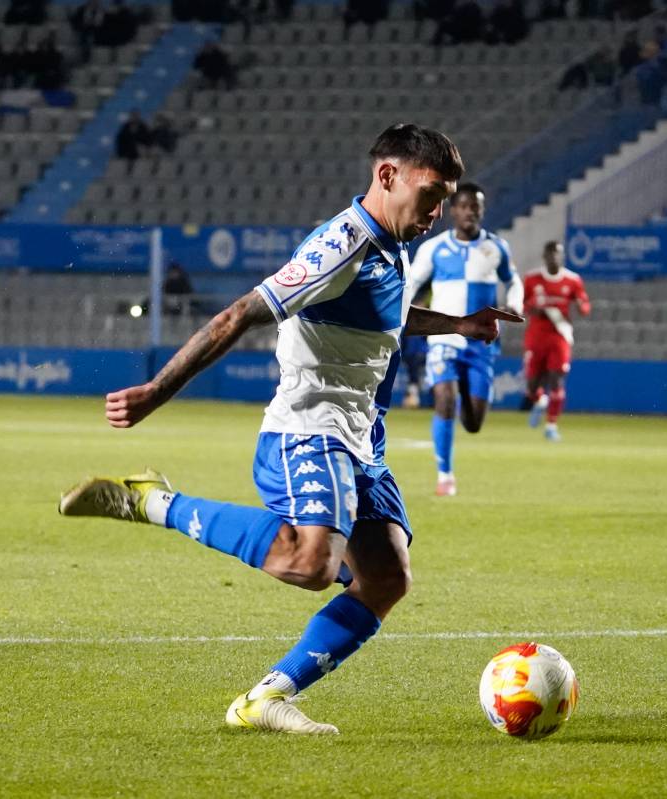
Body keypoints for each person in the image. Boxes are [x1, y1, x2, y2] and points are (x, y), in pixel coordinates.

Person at [58, 124, 523, 735]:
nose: (437, 212)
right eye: (431, 194)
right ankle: (153, 502)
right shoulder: (341, 245)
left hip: (361, 437)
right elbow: (238, 314)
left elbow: (383, 313)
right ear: (387, 176)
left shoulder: (391, 242)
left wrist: (457, 325)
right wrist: (155, 391)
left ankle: (265, 699)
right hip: (311, 427)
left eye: (445, 199)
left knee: (386, 578)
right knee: (310, 563)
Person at [404, 182, 522, 497]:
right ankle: (445, 476)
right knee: (444, 398)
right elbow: (410, 285)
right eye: (465, 206)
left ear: (482, 211)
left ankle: (460, 404)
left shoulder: (496, 247)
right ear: (453, 211)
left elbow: (514, 282)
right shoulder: (434, 249)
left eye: (476, 207)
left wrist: (515, 304)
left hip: (481, 344)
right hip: (444, 339)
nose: (470, 212)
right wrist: (400, 311)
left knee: (473, 423)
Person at [519, 240, 590, 441]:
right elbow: (521, 304)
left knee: (556, 380)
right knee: (531, 386)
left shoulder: (573, 280)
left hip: (560, 335)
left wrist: (582, 307)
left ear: (562, 256)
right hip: (536, 336)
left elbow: (585, 305)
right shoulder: (532, 278)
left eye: (557, 254)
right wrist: (532, 308)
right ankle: (540, 401)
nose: (554, 258)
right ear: (544, 257)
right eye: (551, 254)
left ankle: (551, 425)